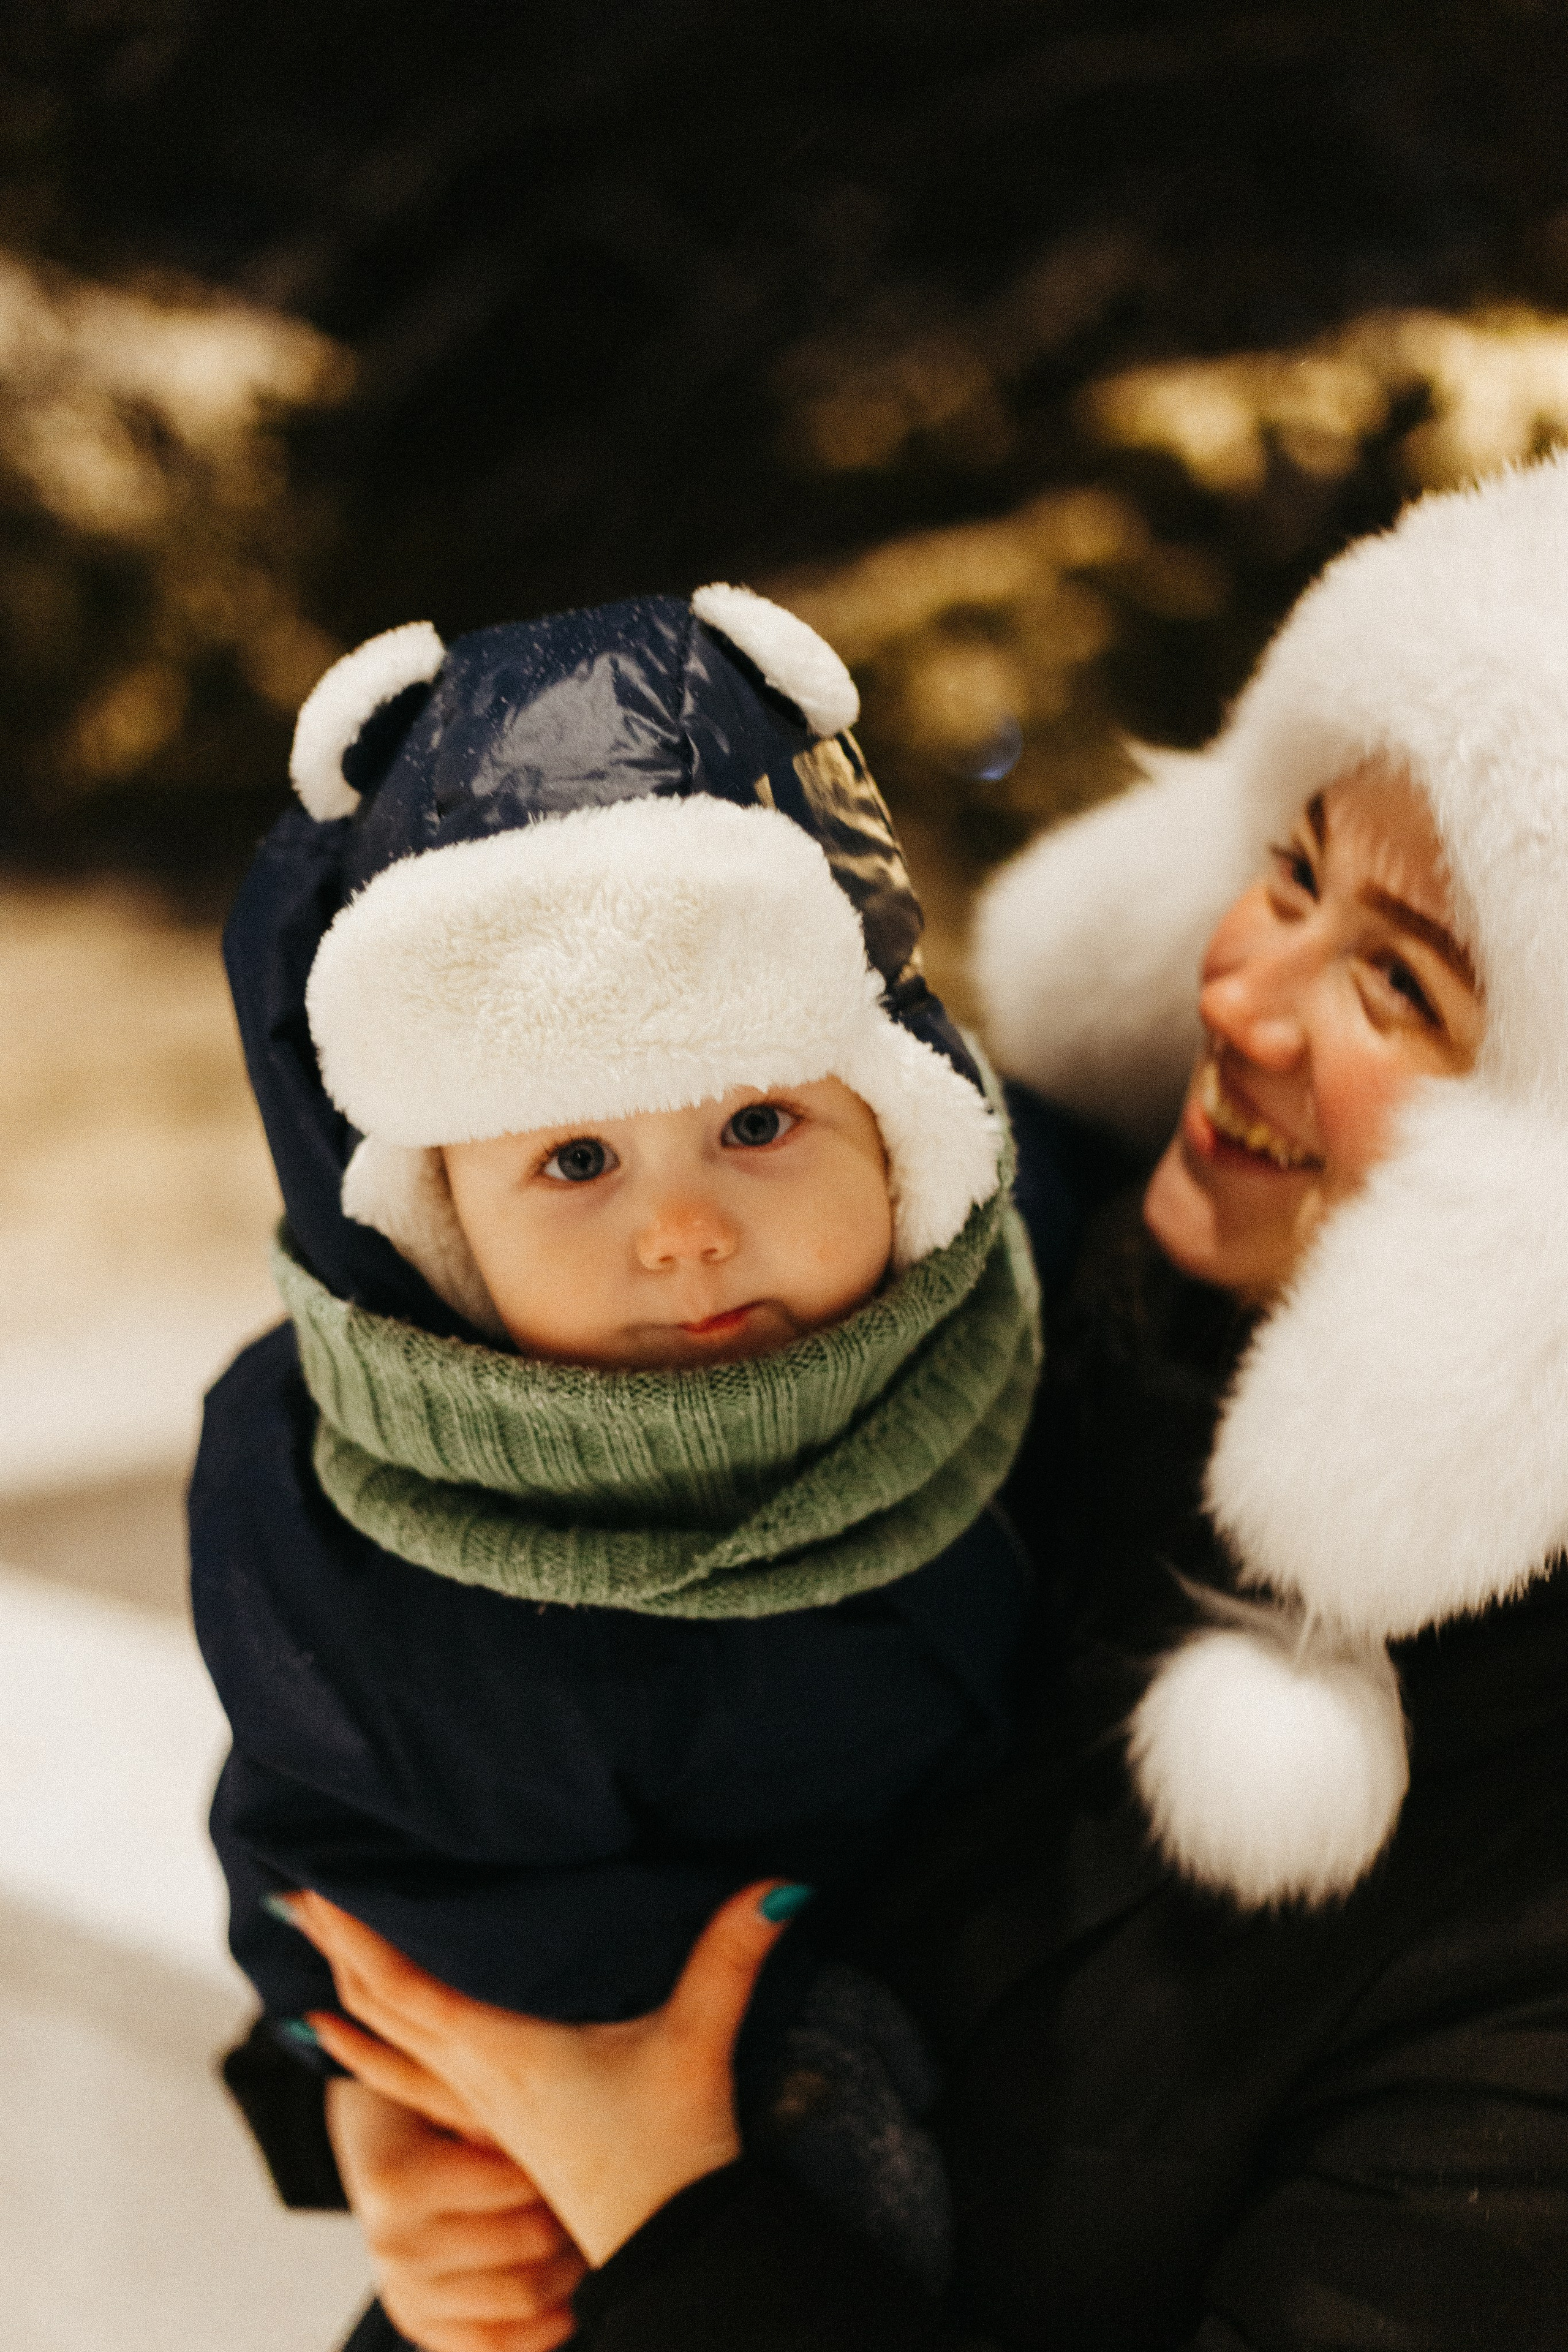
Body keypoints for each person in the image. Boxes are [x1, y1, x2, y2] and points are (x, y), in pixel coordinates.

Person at [270, 456, 1568, 2349]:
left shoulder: (1523, 1890)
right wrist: (406, 2114)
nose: (1244, 996)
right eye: (1288, 870)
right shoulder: (979, 1264)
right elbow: (454, 1699)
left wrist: (668, 2220)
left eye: (1399, 982)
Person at [193, 583, 1052, 2325]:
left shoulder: (1029, 1330)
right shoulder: (382, 1553)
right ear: (442, 1233)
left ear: (904, 1128)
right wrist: (413, 2099)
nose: (682, 1230)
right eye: (572, 1162)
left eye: (756, 1120)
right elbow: (364, 1880)